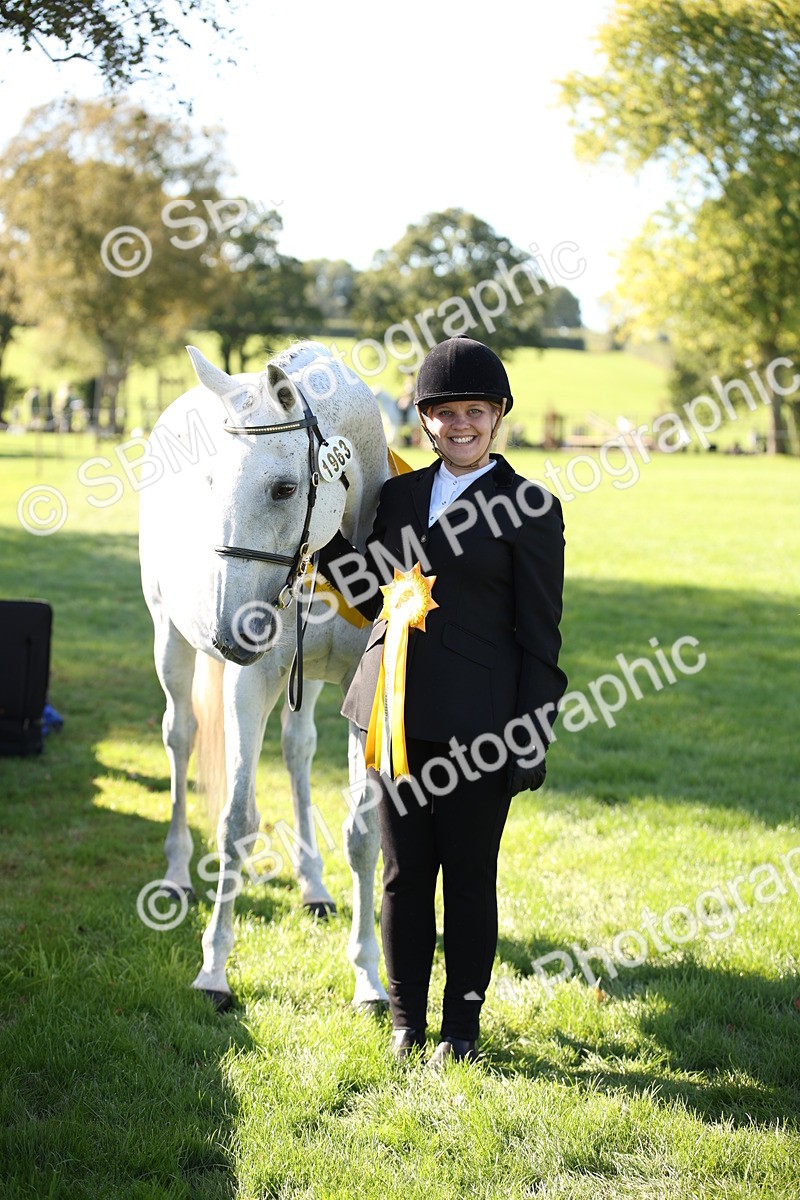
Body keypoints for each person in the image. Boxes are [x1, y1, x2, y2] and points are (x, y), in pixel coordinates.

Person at [317, 336, 567, 1066]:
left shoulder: (530, 507)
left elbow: (541, 634)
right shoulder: (397, 496)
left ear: (497, 417)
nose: (460, 425)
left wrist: (531, 735)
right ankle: (406, 1021)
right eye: (445, 413)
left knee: (468, 878)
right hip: (392, 720)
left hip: (480, 730)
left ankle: (460, 1029)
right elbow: (370, 599)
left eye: (475, 411)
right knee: (401, 874)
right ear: (424, 420)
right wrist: (330, 540)